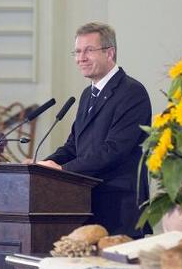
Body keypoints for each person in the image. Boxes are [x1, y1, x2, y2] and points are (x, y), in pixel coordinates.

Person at [37, 22, 152, 238]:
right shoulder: (87, 95)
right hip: (85, 205)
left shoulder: (132, 92)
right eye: (77, 51)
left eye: (89, 50)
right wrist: (42, 167)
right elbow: (73, 146)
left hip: (119, 209)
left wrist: (62, 171)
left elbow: (114, 150)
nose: (81, 58)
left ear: (110, 53)